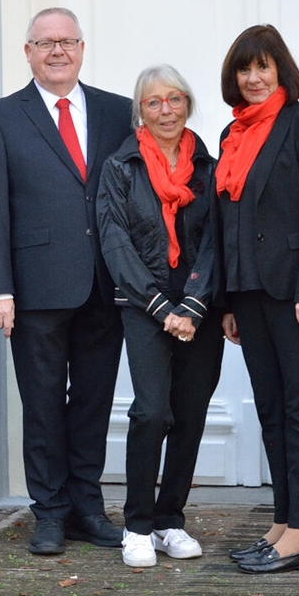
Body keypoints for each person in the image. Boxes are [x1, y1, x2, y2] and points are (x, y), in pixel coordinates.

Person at [0, 8, 132, 555]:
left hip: (105, 284)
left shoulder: (117, 111)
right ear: (28, 52)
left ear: (82, 48)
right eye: (45, 43)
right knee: (41, 405)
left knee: (93, 402)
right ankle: (50, 512)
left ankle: (88, 507)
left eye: (67, 42)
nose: (57, 51)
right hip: (35, 287)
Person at [217, 24, 299, 575]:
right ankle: (283, 521)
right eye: (244, 68)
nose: (253, 78)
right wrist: (227, 301)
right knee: (271, 408)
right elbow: (228, 224)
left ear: (281, 70)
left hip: (298, 293)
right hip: (249, 294)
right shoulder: (232, 132)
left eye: (263, 67)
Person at [96, 65, 224, 568]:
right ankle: (138, 526)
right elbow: (114, 240)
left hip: (199, 308)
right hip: (144, 305)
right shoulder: (120, 167)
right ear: (140, 112)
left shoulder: (208, 167)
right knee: (151, 412)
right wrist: (159, 307)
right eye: (153, 102)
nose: (165, 110)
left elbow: (218, 241)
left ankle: (171, 520)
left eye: (174, 99)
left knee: (190, 413)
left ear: (187, 104)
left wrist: (193, 305)